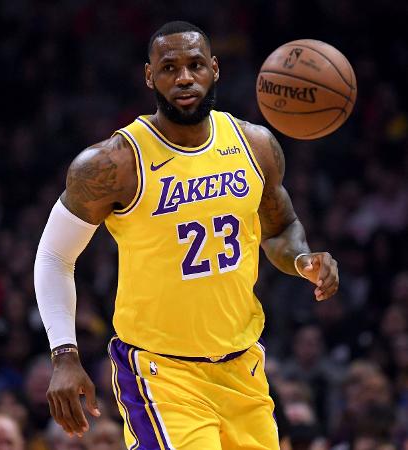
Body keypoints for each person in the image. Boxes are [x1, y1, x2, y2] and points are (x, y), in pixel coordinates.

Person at [34, 21, 339, 449]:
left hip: (243, 369)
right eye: (169, 67)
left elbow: (280, 228)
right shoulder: (113, 163)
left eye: (195, 65)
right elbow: (53, 256)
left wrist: (303, 259)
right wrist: (64, 355)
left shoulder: (255, 145)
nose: (184, 77)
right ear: (149, 76)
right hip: (162, 376)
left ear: (214, 69)